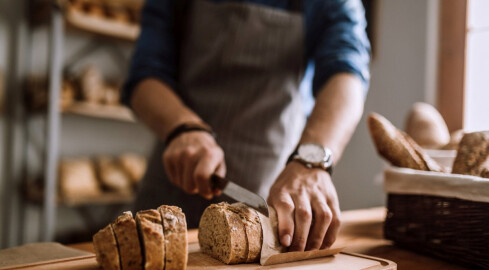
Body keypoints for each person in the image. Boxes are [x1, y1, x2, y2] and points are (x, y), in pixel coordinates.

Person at [122, 0, 370, 252]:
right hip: (175, 177)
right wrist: (183, 128)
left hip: (269, 192)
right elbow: (145, 74)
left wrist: (312, 160)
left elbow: (347, 74)